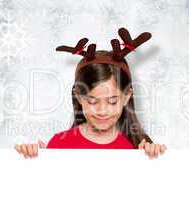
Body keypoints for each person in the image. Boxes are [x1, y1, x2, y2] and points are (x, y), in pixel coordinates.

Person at [14, 27, 166, 159]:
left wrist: (151, 162)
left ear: (126, 97)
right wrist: (31, 160)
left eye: (112, 101)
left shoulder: (137, 149)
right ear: (79, 96)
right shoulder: (59, 144)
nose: (102, 111)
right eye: (92, 101)